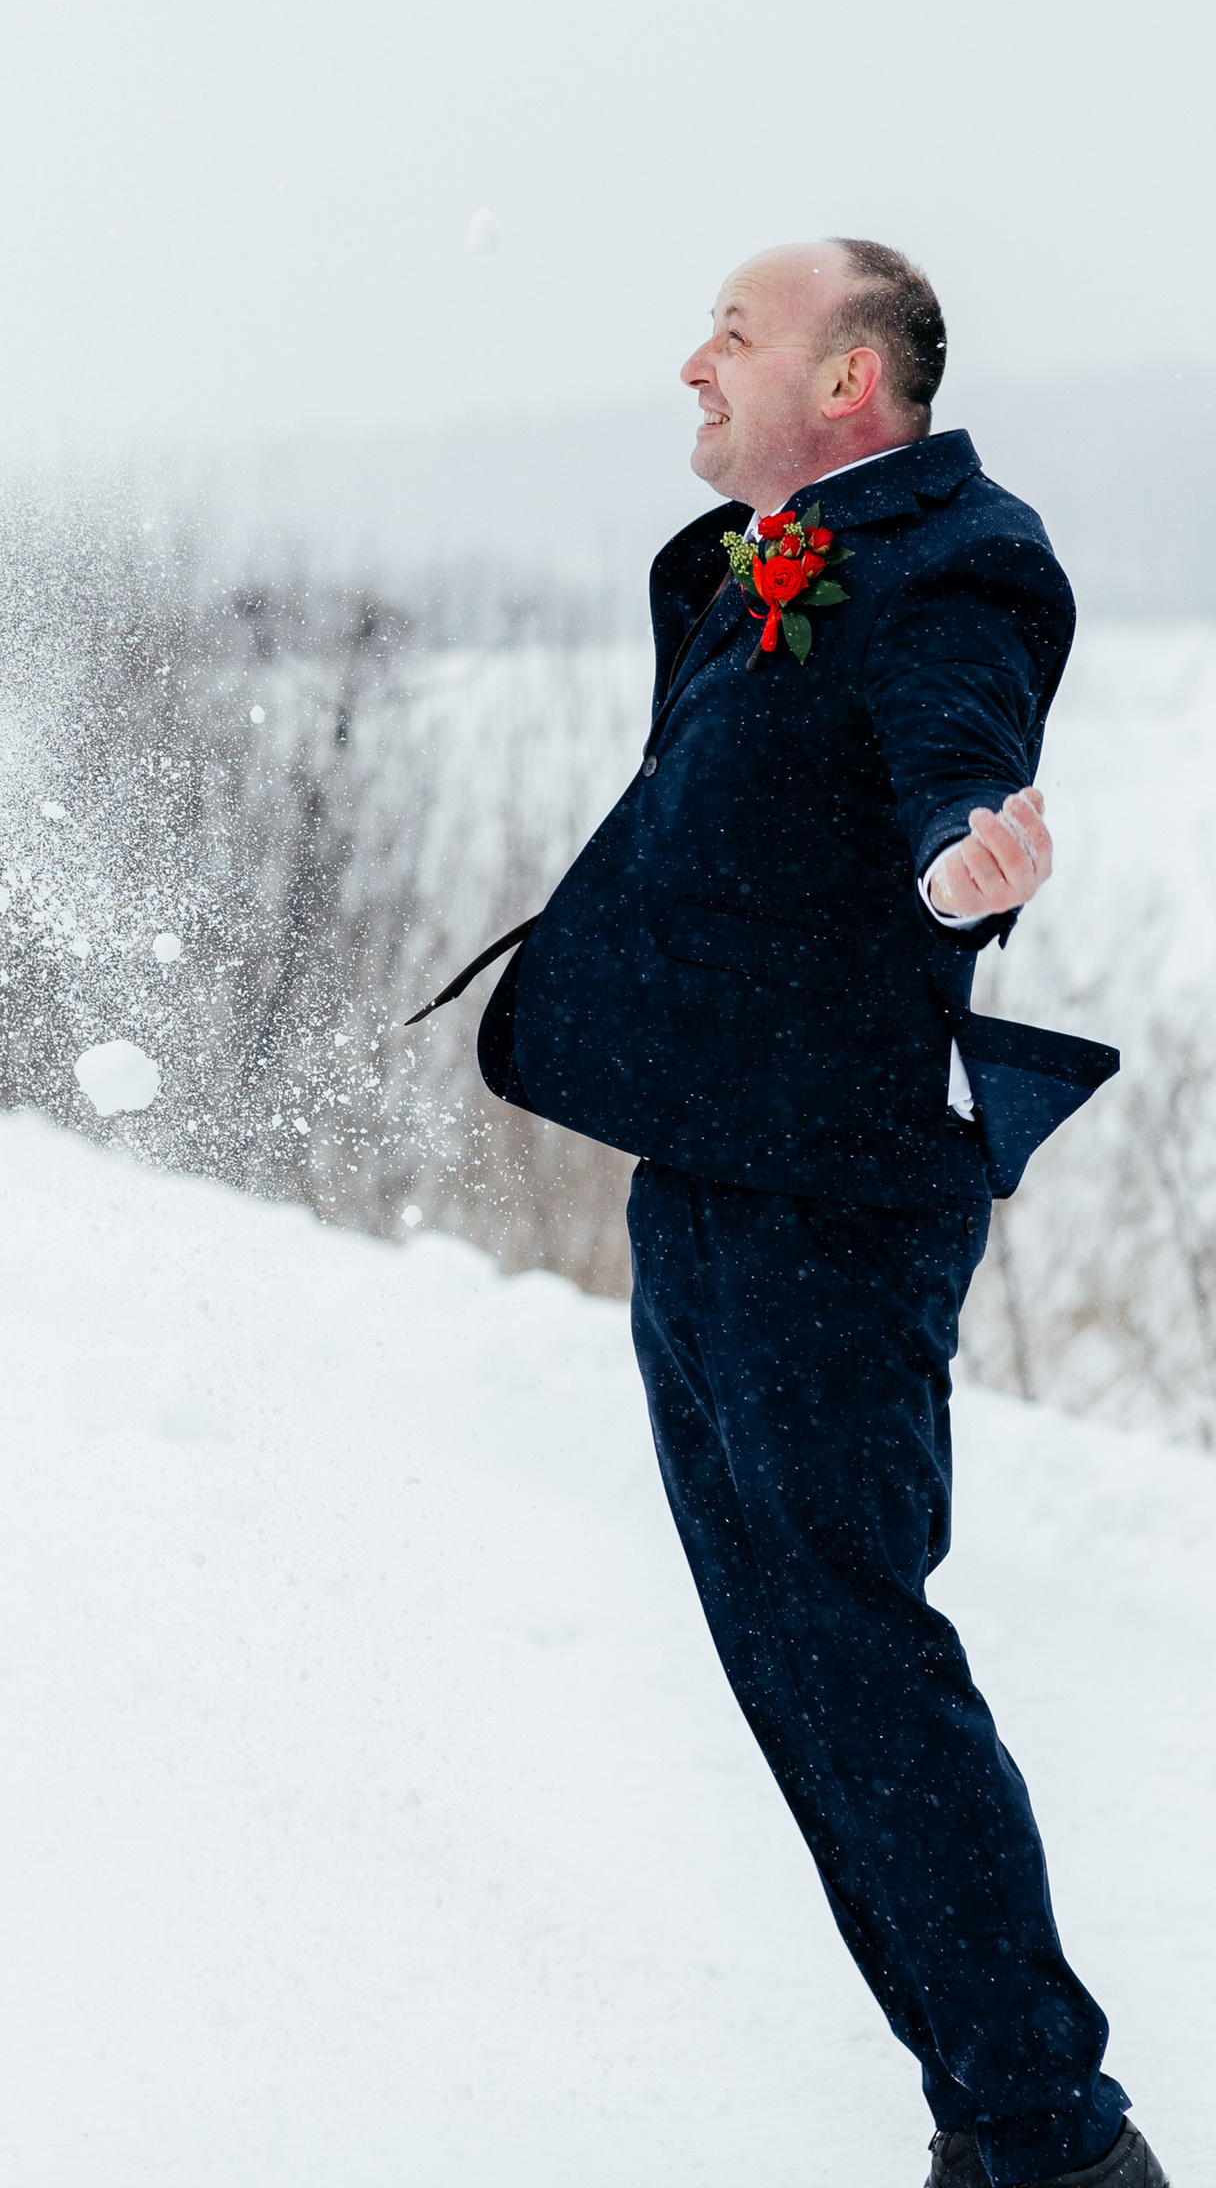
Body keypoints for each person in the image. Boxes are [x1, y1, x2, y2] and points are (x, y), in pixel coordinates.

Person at [414, 243, 1162, 2188]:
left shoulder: (949, 558)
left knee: (851, 1666)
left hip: (822, 1208)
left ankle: (1044, 2133)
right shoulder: (764, 566)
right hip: (715, 1179)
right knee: (801, 1681)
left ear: (846, 380)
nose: (689, 358)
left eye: (729, 334)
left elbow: (951, 755)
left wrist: (959, 861)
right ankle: (997, 2115)